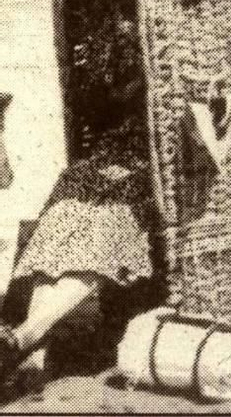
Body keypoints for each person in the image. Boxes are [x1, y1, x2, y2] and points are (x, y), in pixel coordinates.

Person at [0, 20, 155, 391]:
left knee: (102, 233)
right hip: (103, 167)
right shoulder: (107, 80)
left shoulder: (164, 80)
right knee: (58, 224)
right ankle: (30, 346)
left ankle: (25, 338)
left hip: (145, 175)